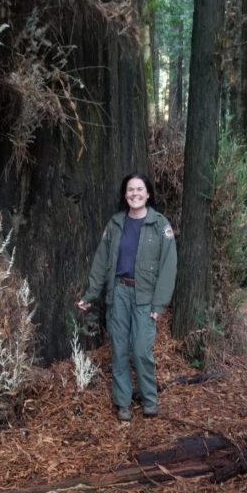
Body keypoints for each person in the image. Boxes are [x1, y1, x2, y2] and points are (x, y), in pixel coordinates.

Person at [78, 172, 177, 422]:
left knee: (142, 350)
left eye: (139, 189)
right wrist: (90, 294)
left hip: (145, 297)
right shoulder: (116, 224)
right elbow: (101, 262)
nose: (135, 194)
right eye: (130, 190)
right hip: (118, 293)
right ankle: (122, 403)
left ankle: (149, 400)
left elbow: (169, 268)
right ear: (125, 195)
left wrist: (159, 304)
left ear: (148, 194)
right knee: (120, 350)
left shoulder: (159, 224)